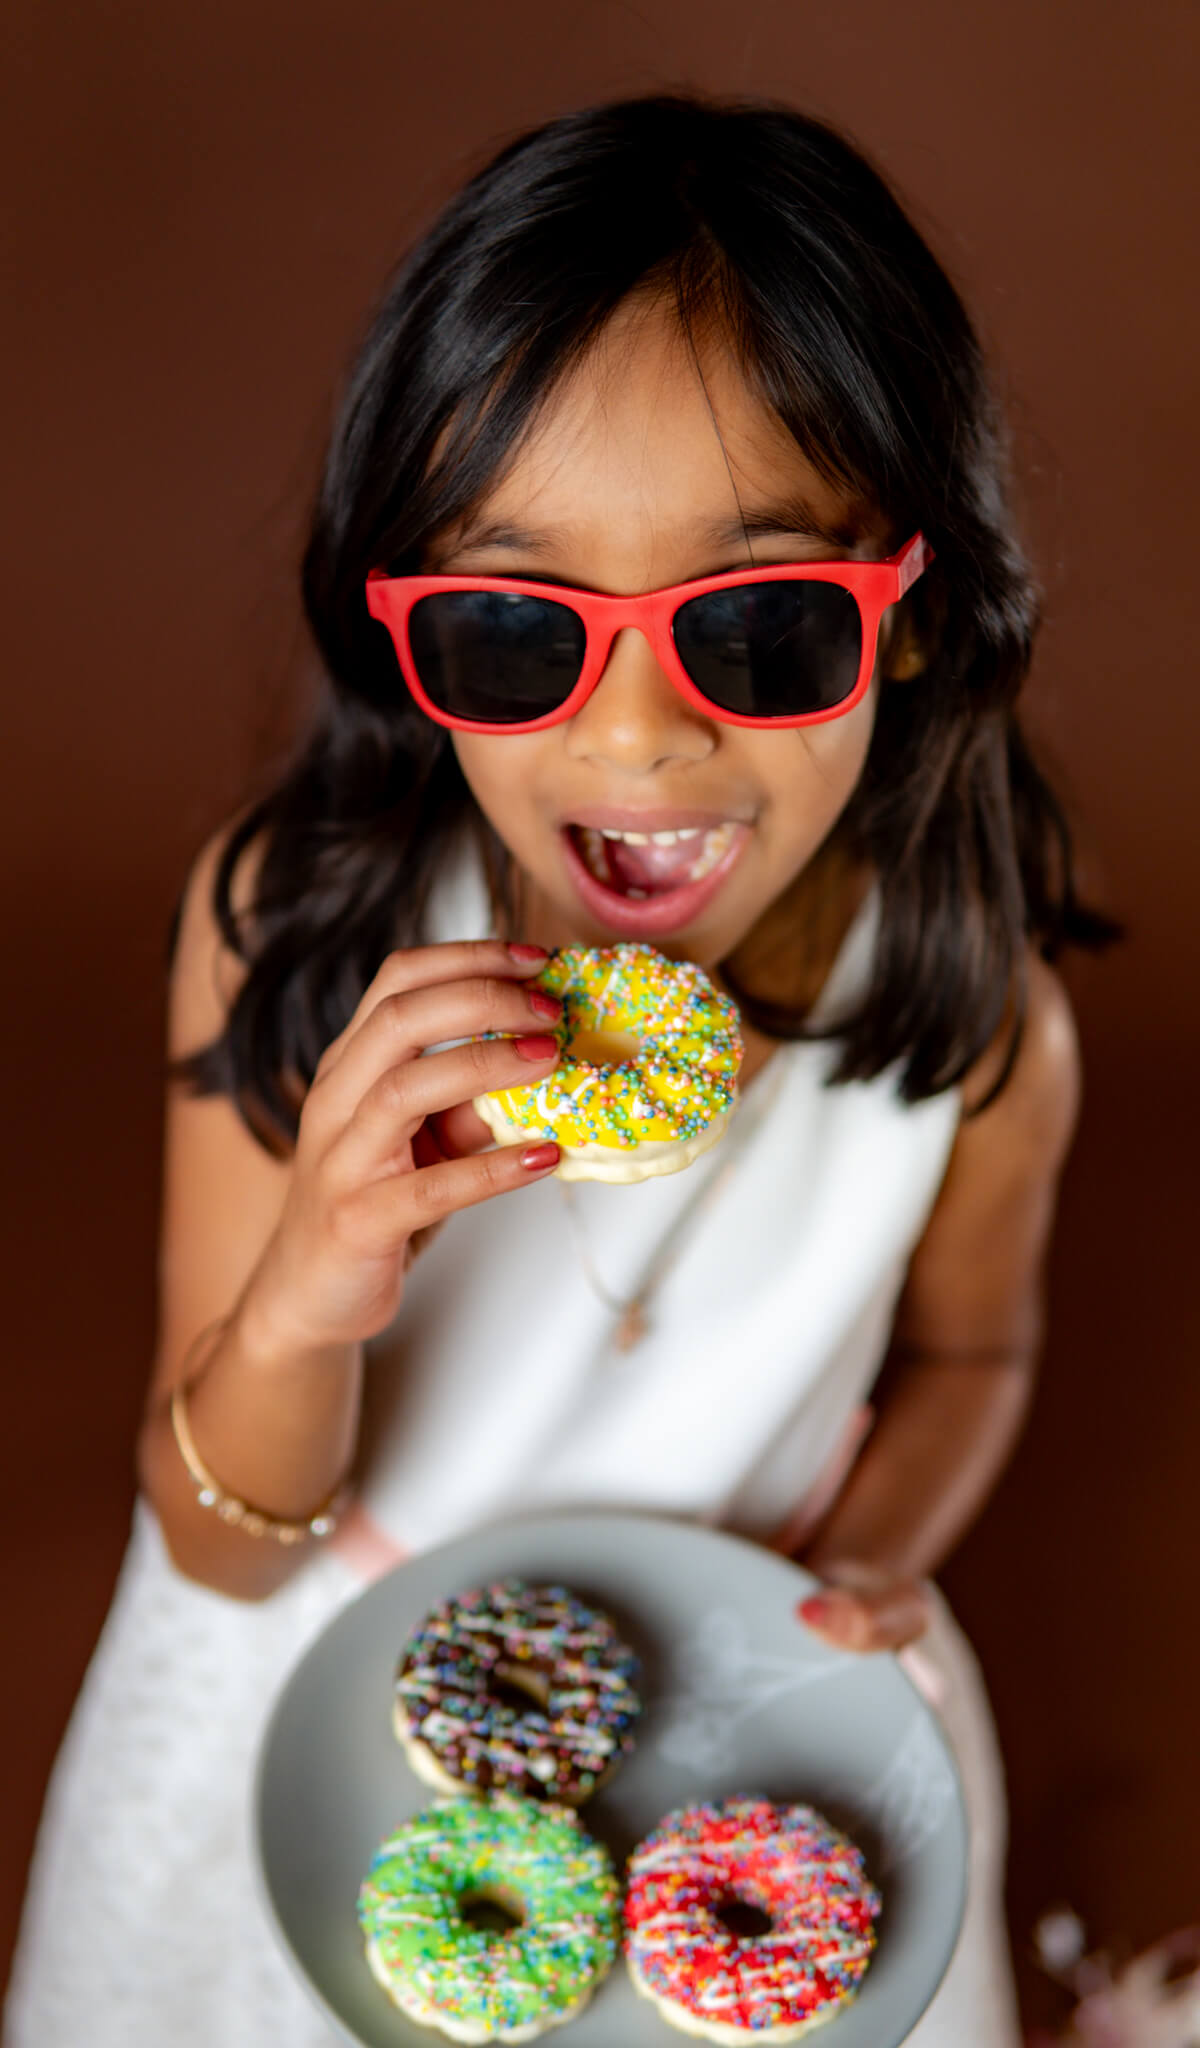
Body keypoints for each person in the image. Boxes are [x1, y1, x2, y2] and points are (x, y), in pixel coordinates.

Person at [6, 93, 1111, 2046]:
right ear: (401, 623)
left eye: (762, 623)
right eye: (517, 626)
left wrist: (872, 1561)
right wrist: (308, 1291)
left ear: (917, 617)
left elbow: (974, 1358)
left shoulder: (974, 1021)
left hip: (746, 1726)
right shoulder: (301, 933)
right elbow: (208, 1537)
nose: (640, 729)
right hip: (314, 1688)